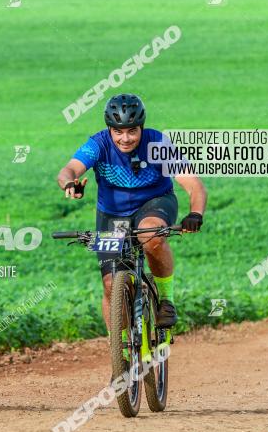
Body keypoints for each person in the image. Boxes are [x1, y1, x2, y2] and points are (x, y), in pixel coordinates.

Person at [55, 93, 207, 329]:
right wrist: (69, 183)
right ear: (109, 129)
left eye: (132, 131)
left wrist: (195, 214)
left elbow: (194, 185)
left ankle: (166, 299)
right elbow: (69, 170)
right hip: (112, 214)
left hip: (155, 203)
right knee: (111, 285)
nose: (125, 138)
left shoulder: (158, 144)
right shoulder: (98, 144)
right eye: (118, 131)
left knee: (150, 234)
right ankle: (121, 348)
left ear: (142, 128)